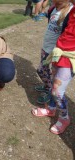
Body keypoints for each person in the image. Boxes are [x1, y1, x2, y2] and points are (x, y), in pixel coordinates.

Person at [32, 4, 75, 134]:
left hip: (70, 56)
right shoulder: (71, 10)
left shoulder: (69, 9)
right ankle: (51, 108)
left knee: (57, 91)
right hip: (58, 53)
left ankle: (64, 118)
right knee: (52, 82)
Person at [34, 0, 73, 104]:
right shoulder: (53, 8)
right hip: (46, 47)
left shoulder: (69, 12)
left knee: (44, 71)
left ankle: (50, 91)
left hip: (54, 51)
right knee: (42, 70)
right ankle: (47, 85)